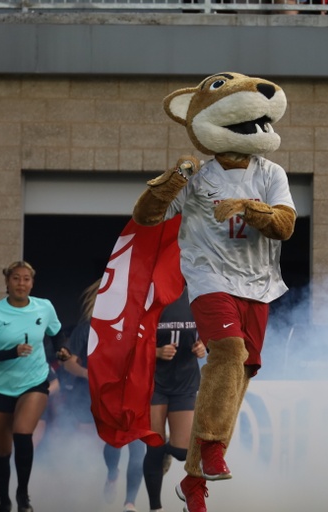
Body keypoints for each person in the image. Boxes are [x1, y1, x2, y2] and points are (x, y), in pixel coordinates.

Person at [132, 73, 296, 512]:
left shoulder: (271, 173)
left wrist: (249, 207)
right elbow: (147, 217)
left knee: (240, 373)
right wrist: (172, 180)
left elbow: (285, 226)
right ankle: (210, 448)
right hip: (209, 280)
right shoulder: (199, 177)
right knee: (227, 353)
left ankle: (193, 482)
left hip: (258, 285)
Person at [0, 260, 70, 512]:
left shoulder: (44, 307)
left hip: (34, 381)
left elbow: (57, 333)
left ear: (32, 282)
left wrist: (62, 349)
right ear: (7, 281)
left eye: (26, 278)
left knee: (23, 433)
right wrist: (12, 353)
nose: (21, 283)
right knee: (1, 450)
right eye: (16, 278)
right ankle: (4, 501)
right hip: (2, 386)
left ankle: (22, 495)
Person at [61, 279, 145, 512]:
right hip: (88, 399)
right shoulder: (86, 328)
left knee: (137, 446)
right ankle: (100, 484)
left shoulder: (134, 326)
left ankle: (130, 502)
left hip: (127, 397)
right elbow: (69, 364)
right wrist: (93, 375)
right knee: (91, 451)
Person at [143, 288, 206, 512]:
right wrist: (156, 352)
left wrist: (202, 346)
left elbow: (209, 334)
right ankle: (155, 507)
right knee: (154, 448)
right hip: (154, 383)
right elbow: (131, 341)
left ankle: (168, 448)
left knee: (182, 452)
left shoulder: (197, 295)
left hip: (185, 382)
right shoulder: (151, 296)